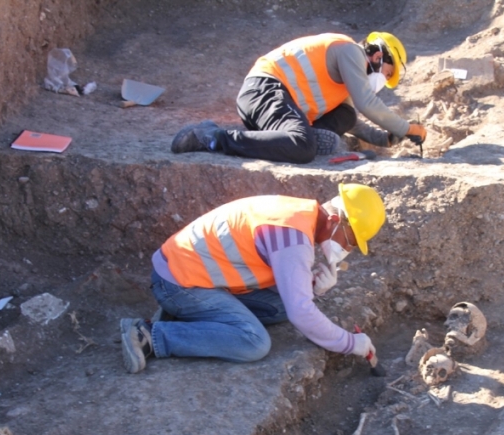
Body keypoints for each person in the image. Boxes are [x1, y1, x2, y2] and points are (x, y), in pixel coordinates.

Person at [119, 183, 385, 374]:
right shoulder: (293, 239)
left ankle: (189, 315)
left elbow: (290, 294)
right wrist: (349, 343)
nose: (347, 249)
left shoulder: (299, 215)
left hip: (195, 273)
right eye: (350, 240)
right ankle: (150, 335)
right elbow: (301, 313)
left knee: (281, 306)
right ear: (336, 220)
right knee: (253, 342)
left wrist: (312, 287)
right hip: (179, 281)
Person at [170, 31, 427, 164]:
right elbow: (366, 103)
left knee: (345, 114)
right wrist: (407, 128)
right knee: (303, 146)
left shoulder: (346, 81)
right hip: (264, 90)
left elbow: (354, 120)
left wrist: (387, 138)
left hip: (281, 105)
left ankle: (305, 139)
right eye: (387, 73)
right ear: (378, 56)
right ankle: (212, 137)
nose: (383, 81)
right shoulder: (349, 51)